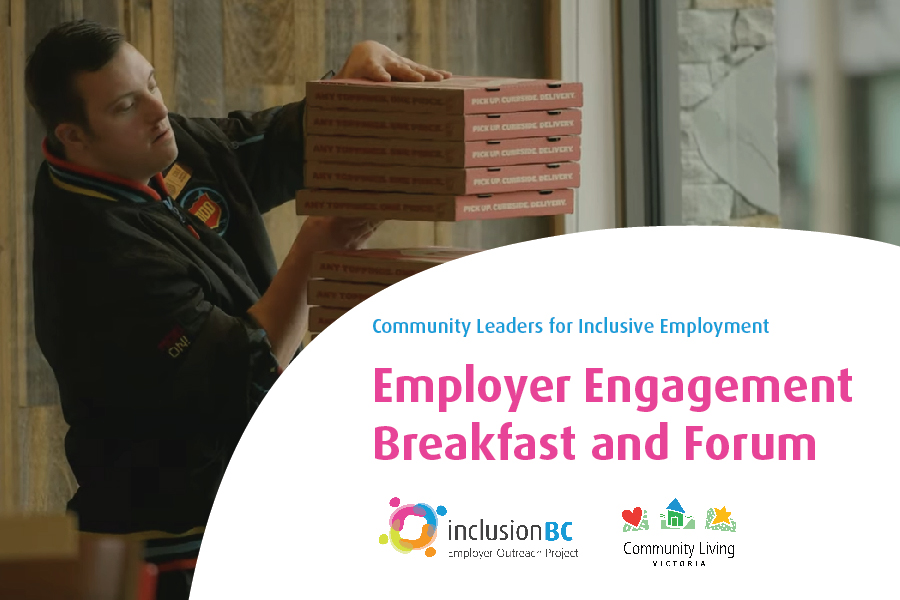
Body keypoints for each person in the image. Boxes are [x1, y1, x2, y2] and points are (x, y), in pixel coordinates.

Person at [25, 19, 450, 599]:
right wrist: (321, 248)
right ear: (73, 135)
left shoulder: (150, 149)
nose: (157, 112)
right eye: (127, 104)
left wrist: (346, 99)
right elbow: (246, 373)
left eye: (153, 84)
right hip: (173, 540)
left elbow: (262, 144)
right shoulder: (99, 256)